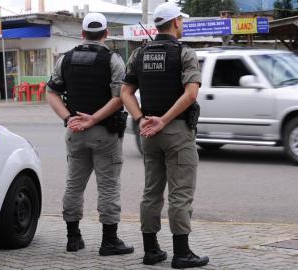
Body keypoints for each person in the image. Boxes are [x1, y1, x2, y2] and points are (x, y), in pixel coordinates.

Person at [121, 2, 209, 268]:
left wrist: (141, 120)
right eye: (181, 20)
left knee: (151, 191)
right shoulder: (185, 53)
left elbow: (125, 92)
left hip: (148, 131)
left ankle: (151, 251)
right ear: (176, 23)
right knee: (180, 194)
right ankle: (182, 254)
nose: (182, 24)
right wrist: (164, 121)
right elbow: (191, 93)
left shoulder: (139, 54)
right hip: (176, 131)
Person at [46, 12, 134, 256]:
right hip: (104, 132)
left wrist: (68, 118)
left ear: (83, 33)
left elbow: (51, 93)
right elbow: (120, 98)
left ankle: (73, 239)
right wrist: (94, 119)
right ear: (105, 33)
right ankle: (109, 242)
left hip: (75, 132)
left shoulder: (65, 59)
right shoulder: (112, 60)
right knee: (108, 187)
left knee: (74, 185)